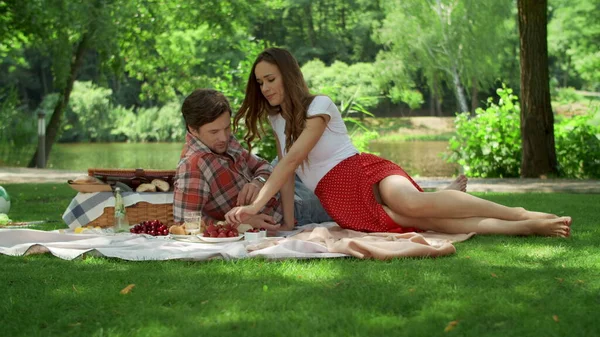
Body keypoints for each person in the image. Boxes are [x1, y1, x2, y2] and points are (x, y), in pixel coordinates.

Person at [225, 47, 572, 238]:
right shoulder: (276, 120)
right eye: (260, 83)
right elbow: (288, 173)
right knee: (432, 222)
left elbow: (291, 159)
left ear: (288, 75)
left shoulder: (320, 105)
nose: (265, 87)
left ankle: (520, 213)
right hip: (340, 197)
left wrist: (255, 208)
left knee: (414, 206)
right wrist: (287, 223)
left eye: (270, 79)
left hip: (362, 170)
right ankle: (526, 228)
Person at [173, 88, 332, 230]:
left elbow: (264, 166)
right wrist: (240, 224)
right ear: (193, 129)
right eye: (214, 132)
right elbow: (185, 222)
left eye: (227, 128)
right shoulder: (193, 167)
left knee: (293, 155)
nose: (223, 137)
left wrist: (258, 182)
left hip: (281, 186)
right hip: (292, 208)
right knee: (344, 203)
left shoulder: (222, 142)